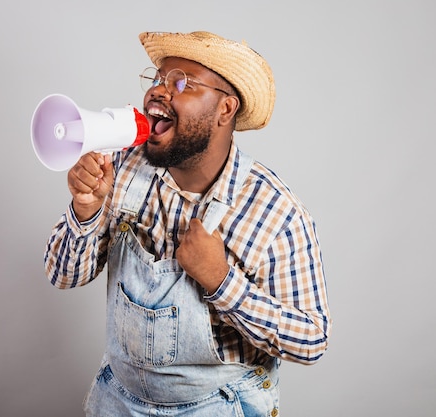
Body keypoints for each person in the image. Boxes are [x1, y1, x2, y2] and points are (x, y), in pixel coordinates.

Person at [42, 31, 331, 416]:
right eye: (158, 79)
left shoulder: (273, 211)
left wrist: (221, 280)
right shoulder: (125, 167)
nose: (159, 92)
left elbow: (310, 339)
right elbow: (62, 275)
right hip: (118, 402)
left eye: (180, 82)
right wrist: (85, 209)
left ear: (225, 109)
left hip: (219, 406)